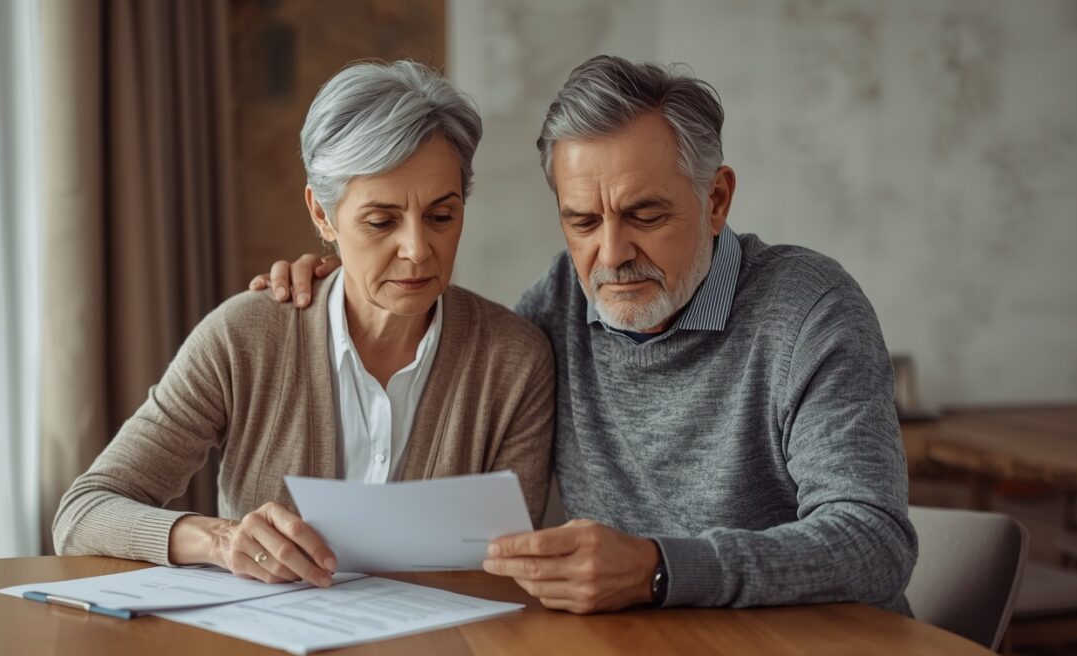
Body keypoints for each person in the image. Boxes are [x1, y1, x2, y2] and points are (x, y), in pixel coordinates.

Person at [251, 55, 918, 613]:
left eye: (645, 215)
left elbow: (874, 542)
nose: (613, 254)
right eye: (583, 222)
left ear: (715, 200)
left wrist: (660, 569)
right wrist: (336, 283)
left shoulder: (809, 310)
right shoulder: (556, 307)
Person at [54, 61, 554, 588]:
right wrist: (221, 540)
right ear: (321, 214)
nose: (416, 249)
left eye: (441, 216)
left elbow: (510, 573)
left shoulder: (515, 362)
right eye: (381, 221)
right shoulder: (244, 338)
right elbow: (83, 512)